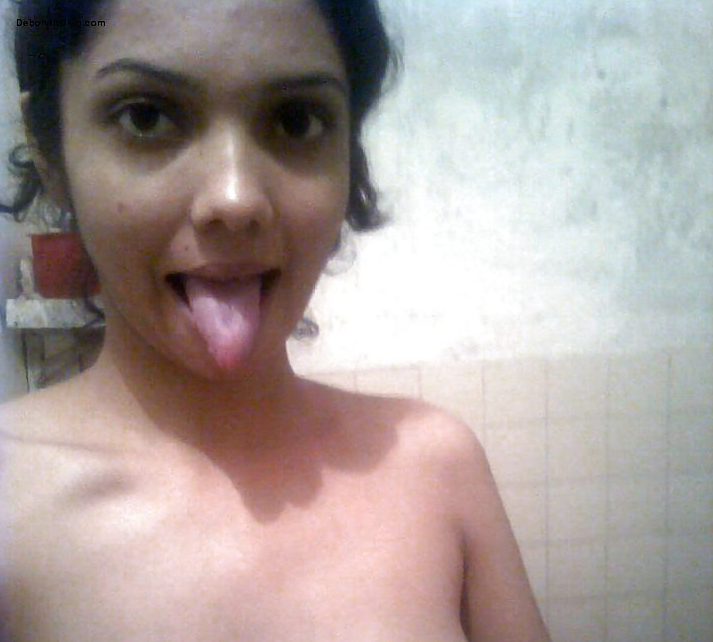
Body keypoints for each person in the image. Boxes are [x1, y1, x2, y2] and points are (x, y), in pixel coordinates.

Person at [0, 0, 551, 640]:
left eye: (296, 120)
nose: (235, 200)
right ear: (51, 154)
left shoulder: (438, 465)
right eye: (146, 117)